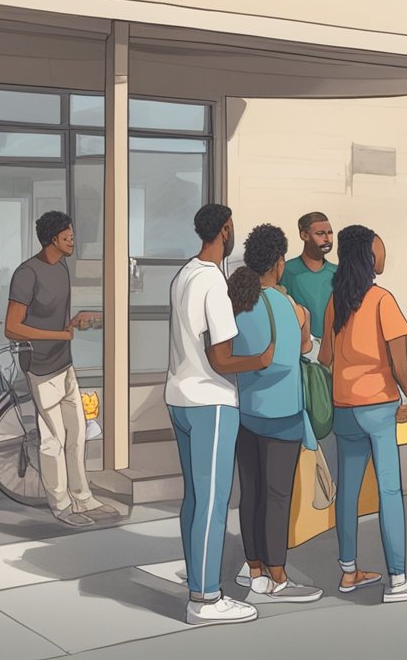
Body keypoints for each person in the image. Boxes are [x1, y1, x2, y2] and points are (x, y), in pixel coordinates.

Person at [164, 204, 273, 626]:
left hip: (179, 397)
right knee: (213, 503)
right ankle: (206, 599)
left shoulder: (184, 274)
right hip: (211, 401)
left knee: (193, 498)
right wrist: (259, 360)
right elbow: (222, 357)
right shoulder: (213, 282)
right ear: (226, 229)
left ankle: (198, 581)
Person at [317, 224, 407, 604]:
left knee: (348, 493)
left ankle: (349, 572)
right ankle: (398, 579)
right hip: (378, 406)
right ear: (368, 256)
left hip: (343, 407)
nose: (383, 256)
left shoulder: (338, 300)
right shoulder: (382, 300)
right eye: (379, 250)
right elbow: (400, 363)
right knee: (389, 491)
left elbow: (326, 358)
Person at [228, 225, 323, 604]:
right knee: (277, 496)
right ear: (278, 263)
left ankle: (253, 569)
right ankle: (278, 574)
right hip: (282, 413)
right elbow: (293, 357)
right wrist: (305, 330)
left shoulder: (238, 300)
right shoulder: (286, 306)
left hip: (246, 411)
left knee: (250, 493)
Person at [4, 212, 118, 528]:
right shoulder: (27, 273)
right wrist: (59, 335)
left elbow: (56, 320)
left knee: (78, 432)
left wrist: (75, 321)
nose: (73, 241)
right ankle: (61, 504)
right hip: (40, 366)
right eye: (68, 237)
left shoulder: (62, 267)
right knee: (53, 437)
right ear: (54, 239)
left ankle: (83, 498)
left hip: (64, 362)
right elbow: (12, 328)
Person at [281, 212, 336, 359]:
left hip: (332, 351)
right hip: (298, 351)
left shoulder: (338, 273)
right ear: (304, 235)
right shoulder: (287, 271)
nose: (327, 239)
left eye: (330, 233)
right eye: (320, 233)